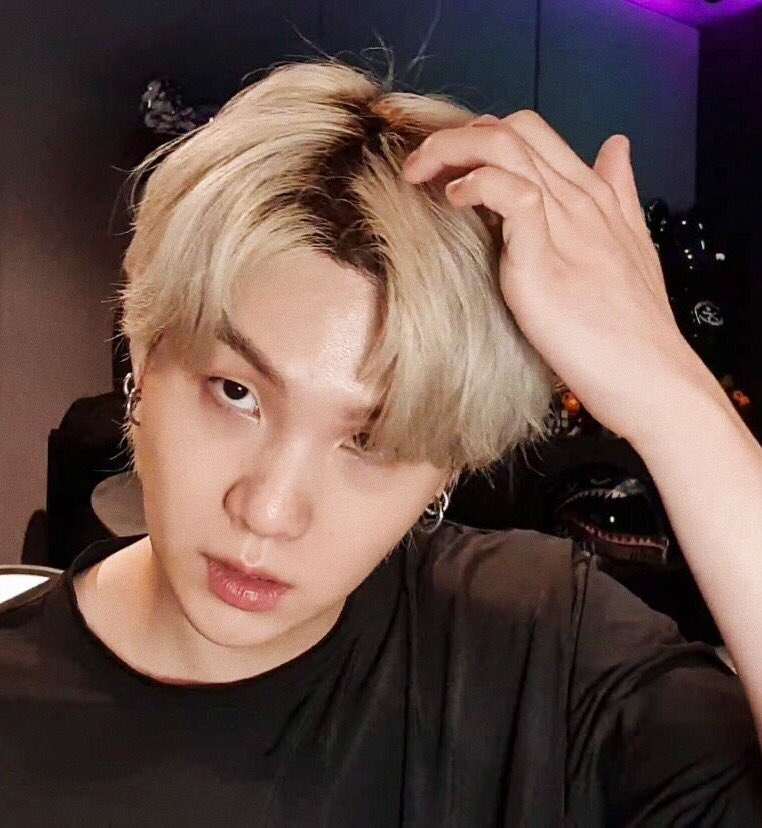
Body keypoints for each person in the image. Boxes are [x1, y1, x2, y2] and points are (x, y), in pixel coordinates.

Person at [1, 55, 761, 826]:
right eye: (236, 393)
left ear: (447, 467)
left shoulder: (543, 655)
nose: (268, 511)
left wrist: (674, 394)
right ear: (142, 353)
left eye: (372, 437)